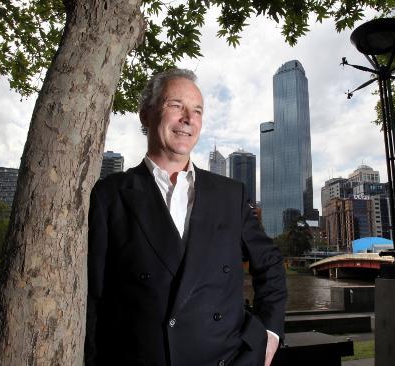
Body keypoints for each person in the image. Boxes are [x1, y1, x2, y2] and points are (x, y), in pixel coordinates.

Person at [85, 68, 287, 366]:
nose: (188, 119)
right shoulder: (109, 194)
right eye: (176, 106)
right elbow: (92, 297)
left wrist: (268, 333)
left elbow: (269, 265)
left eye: (197, 111)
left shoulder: (230, 194)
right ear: (146, 115)